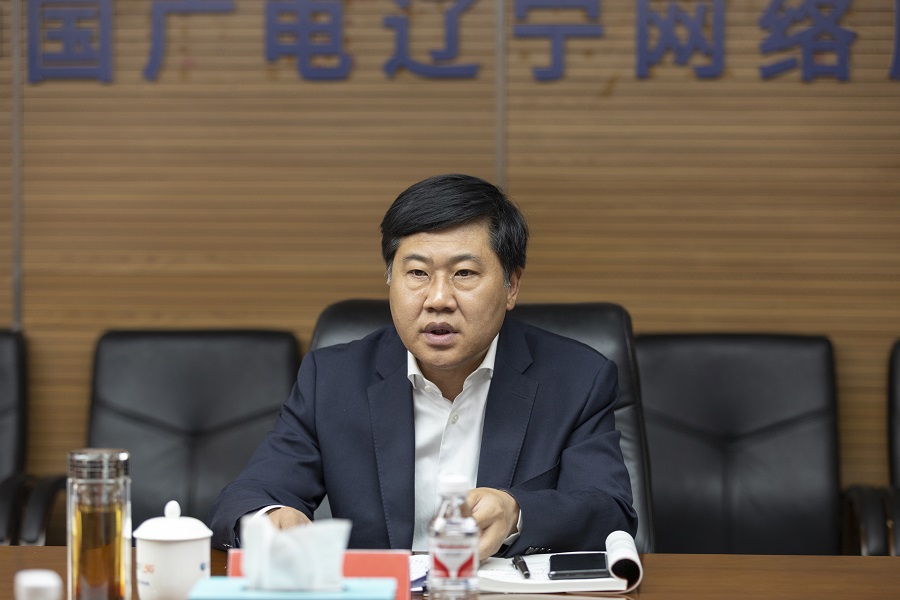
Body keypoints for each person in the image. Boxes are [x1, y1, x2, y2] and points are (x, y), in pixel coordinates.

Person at [209, 173, 637, 559]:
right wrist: (271, 518)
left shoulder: (576, 379)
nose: (438, 299)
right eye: (417, 273)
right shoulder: (333, 378)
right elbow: (249, 495)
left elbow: (608, 511)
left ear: (512, 285)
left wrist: (517, 512)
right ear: (390, 279)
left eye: (464, 273)